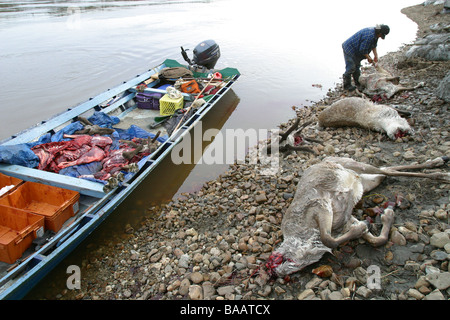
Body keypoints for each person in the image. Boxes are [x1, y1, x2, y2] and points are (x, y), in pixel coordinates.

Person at [342, 24, 390, 91]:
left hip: (357, 49)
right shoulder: (369, 36)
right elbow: (363, 50)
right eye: (381, 35)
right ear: (379, 32)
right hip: (350, 48)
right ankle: (347, 85)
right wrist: (369, 58)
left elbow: (374, 46)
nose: (380, 37)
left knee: (357, 66)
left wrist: (375, 56)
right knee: (351, 66)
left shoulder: (375, 34)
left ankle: (357, 83)